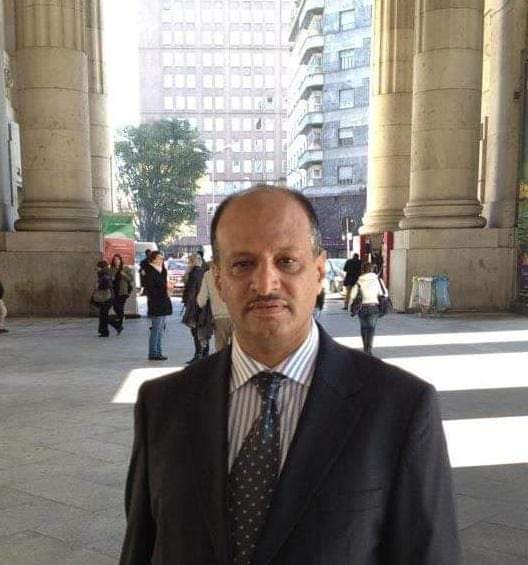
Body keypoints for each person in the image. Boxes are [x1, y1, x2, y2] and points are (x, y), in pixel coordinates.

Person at [120, 185, 460, 565]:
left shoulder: (401, 408)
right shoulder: (162, 406)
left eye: (287, 261)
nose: (265, 284)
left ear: (319, 272)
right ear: (218, 280)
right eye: (243, 264)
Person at [351, 262, 388, 355]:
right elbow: (384, 293)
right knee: (371, 329)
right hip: (373, 307)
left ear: (363, 270)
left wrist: (350, 306)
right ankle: (369, 350)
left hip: (361, 308)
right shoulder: (378, 280)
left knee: (363, 328)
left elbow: (352, 295)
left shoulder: (359, 280)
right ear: (372, 270)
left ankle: (365, 348)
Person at [182, 254, 212, 363]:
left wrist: (189, 308)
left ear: (191, 262)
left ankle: (199, 355)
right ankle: (204, 354)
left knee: (196, 332)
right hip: (203, 307)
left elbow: (192, 293)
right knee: (202, 331)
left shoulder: (194, 274)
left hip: (195, 308)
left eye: (189, 261)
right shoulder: (203, 272)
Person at [197, 262, 232, 351]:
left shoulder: (208, 275)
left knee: (221, 349)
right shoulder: (234, 270)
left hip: (219, 317)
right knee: (238, 350)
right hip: (236, 316)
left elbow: (201, 301)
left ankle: (223, 360)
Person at [144, 251, 172, 361]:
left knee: (160, 329)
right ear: (154, 259)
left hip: (163, 302)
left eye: (162, 258)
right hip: (156, 303)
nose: (161, 260)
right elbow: (151, 289)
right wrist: (164, 291)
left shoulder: (162, 270)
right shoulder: (150, 272)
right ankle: (153, 353)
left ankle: (159, 352)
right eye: (159, 258)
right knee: (156, 329)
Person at [94, 260, 121, 337]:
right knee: (103, 314)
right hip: (109, 297)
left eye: (98, 267)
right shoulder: (105, 273)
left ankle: (114, 327)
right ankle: (105, 331)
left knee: (103, 315)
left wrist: (98, 286)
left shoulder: (104, 274)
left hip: (107, 297)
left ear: (101, 267)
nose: (96, 268)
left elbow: (106, 285)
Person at [110, 254, 134, 331]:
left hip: (123, 291)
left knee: (120, 306)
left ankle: (119, 323)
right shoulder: (112, 269)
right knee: (115, 306)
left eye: (118, 259)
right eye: (115, 260)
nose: (116, 261)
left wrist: (124, 275)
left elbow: (131, 279)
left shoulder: (125, 268)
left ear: (120, 260)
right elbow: (110, 279)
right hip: (114, 290)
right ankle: (121, 319)